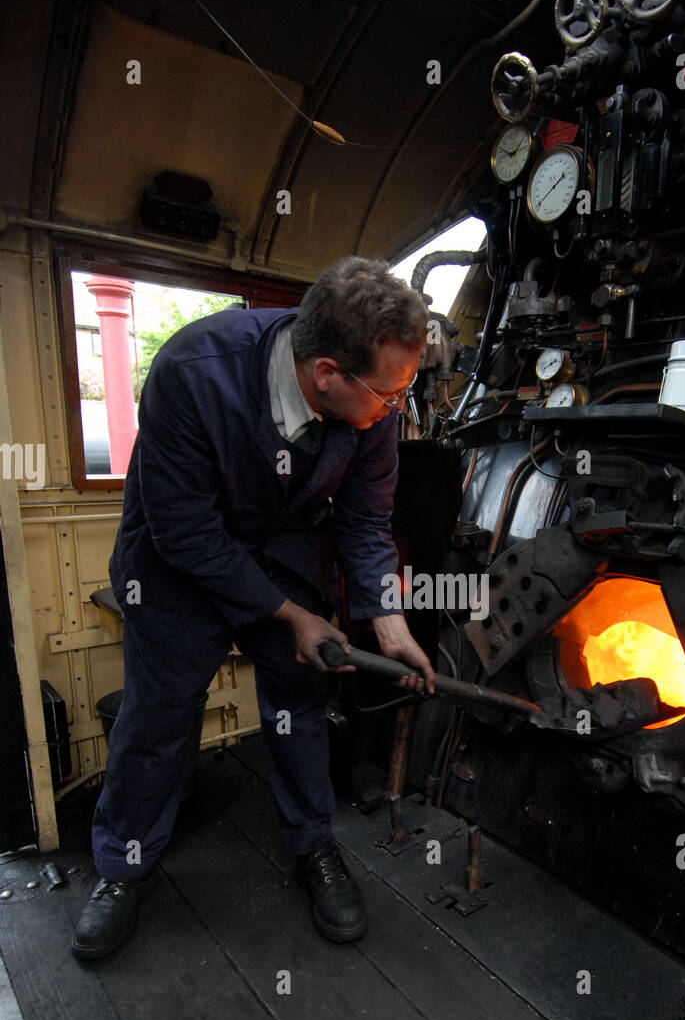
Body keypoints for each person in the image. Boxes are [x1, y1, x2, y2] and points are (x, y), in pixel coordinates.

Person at [72, 256, 435, 961]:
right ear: (327, 372)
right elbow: (186, 531)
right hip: (176, 563)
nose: (397, 406)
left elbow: (365, 520)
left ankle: (313, 846)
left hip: (282, 549)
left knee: (299, 701)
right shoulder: (192, 370)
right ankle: (123, 866)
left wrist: (388, 620)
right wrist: (294, 618)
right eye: (389, 395)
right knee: (158, 717)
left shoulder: (372, 404)